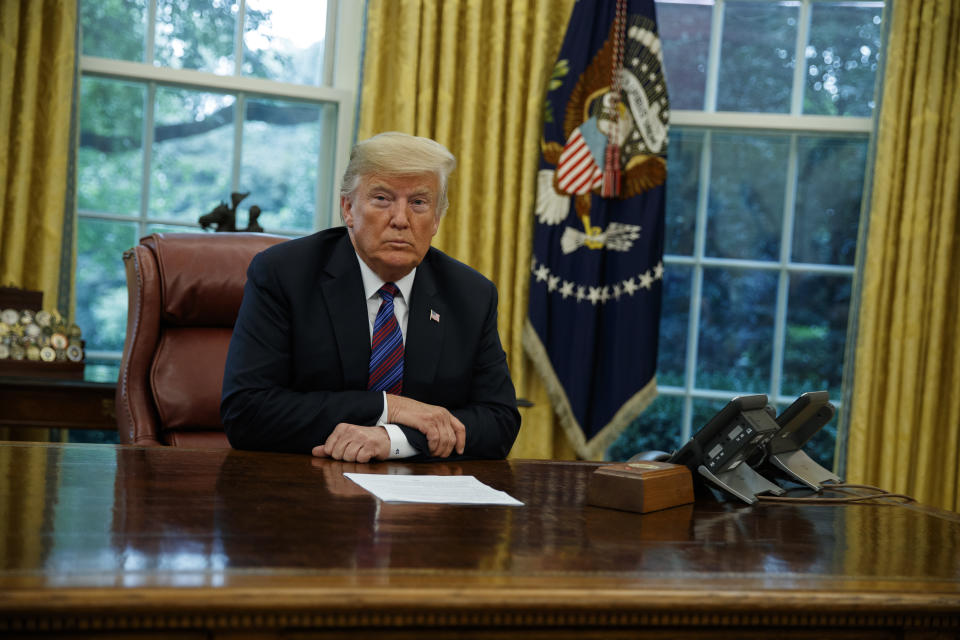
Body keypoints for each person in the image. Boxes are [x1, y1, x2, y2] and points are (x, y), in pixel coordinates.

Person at [221, 132, 521, 462]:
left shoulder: (470, 295)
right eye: (382, 198)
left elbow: (499, 422)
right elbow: (246, 412)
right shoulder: (284, 275)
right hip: (303, 486)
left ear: (436, 219)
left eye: (418, 203)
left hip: (423, 498)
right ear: (348, 208)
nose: (400, 220)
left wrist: (392, 438)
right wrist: (390, 407)